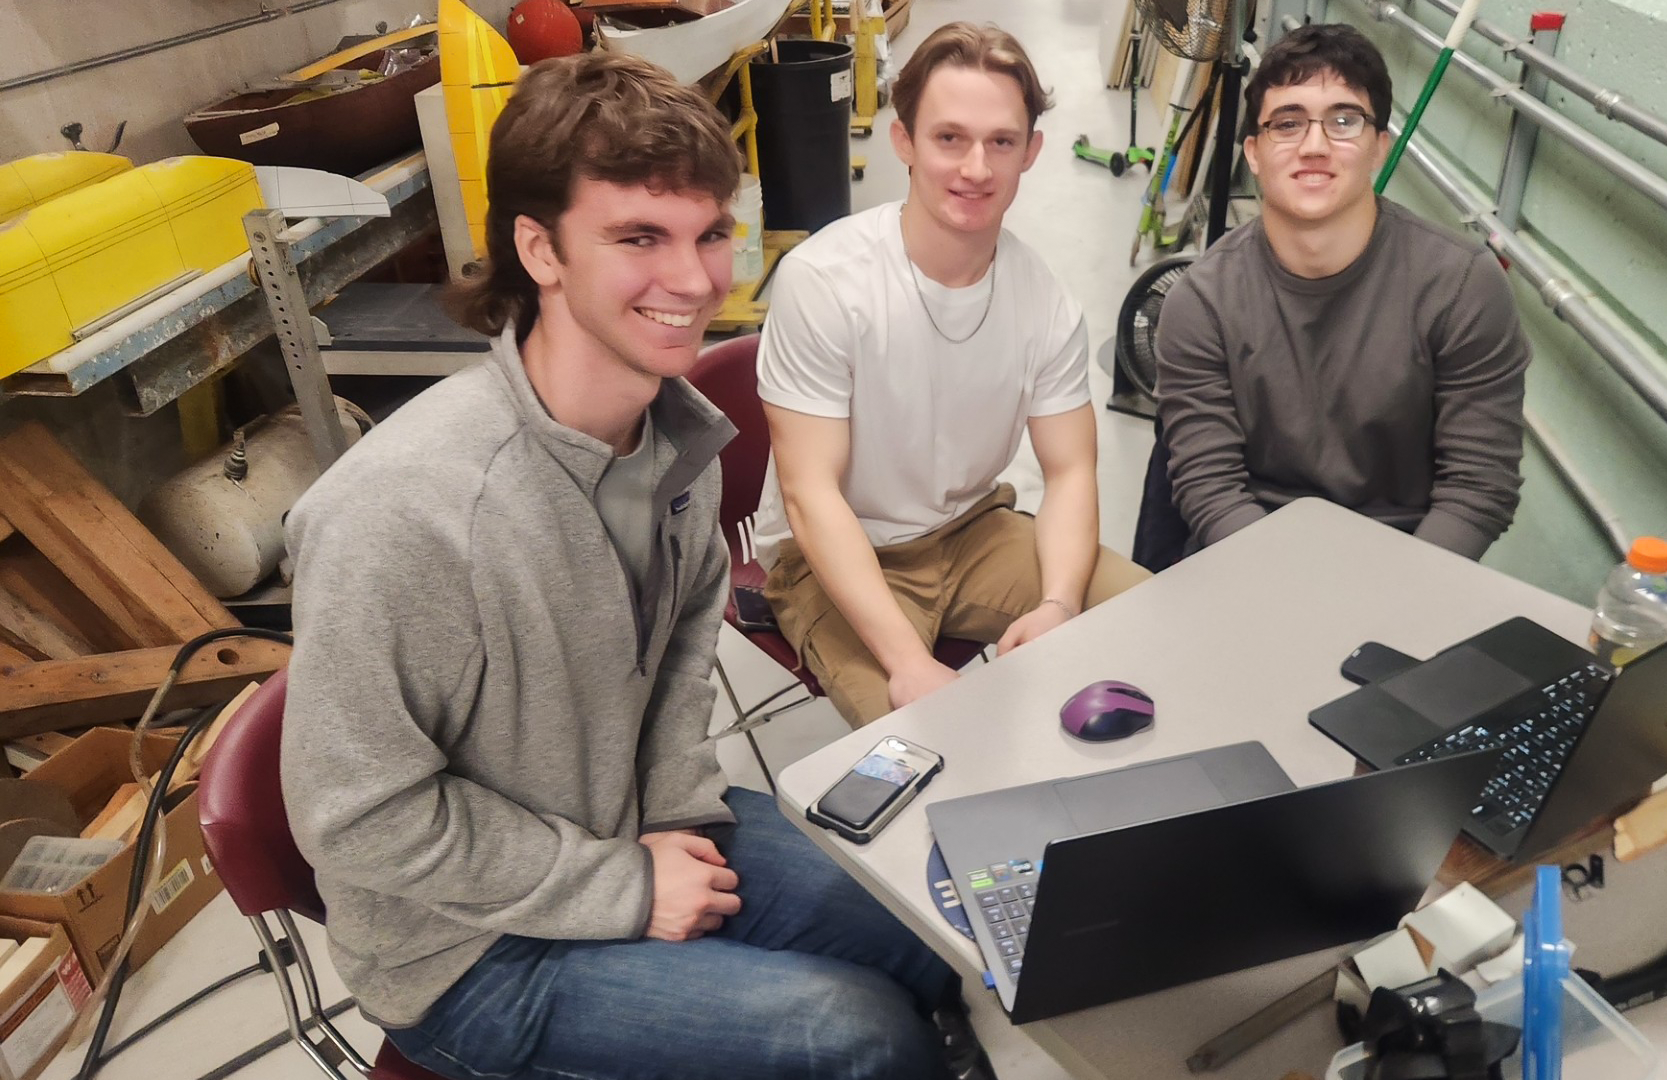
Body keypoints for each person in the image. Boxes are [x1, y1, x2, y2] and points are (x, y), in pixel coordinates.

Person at [281, 53, 967, 1080]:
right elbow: (360, 821)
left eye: (710, 234)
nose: (694, 281)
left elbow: (677, 674)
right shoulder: (406, 515)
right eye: (639, 237)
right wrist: (623, 890)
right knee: (855, 1037)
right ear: (540, 248)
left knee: (933, 926)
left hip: (630, 828)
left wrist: (671, 827)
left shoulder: (671, 447)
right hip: (467, 954)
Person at [754, 22, 1151, 728]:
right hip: (840, 553)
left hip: (972, 532)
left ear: (1032, 152)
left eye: (1002, 142)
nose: (976, 168)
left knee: (1151, 618)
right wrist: (908, 662)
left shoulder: (1045, 301)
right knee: (935, 753)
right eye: (949, 138)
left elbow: (1070, 474)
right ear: (903, 141)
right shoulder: (824, 281)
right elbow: (810, 493)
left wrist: (1059, 603)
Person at [1155, 23, 1530, 560]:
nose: (1314, 146)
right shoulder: (1201, 302)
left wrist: (1392, 600)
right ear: (1254, 153)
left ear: (1380, 147)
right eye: (1288, 123)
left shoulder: (1463, 286)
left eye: (1343, 121)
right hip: (1250, 556)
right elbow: (1210, 488)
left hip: (1411, 560)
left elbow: (1477, 488)